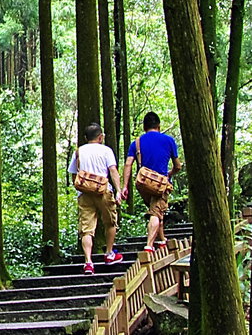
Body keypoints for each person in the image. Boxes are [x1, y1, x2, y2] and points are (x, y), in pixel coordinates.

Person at [122, 110, 182, 253]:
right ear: (159, 126)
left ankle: (162, 240)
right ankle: (149, 245)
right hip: (160, 184)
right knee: (155, 213)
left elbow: (128, 164)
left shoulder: (136, 143)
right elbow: (178, 166)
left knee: (156, 208)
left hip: (143, 184)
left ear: (144, 127)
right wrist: (170, 173)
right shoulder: (168, 140)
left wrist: (124, 186)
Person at [67, 123, 121, 274]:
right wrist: (118, 191)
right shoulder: (106, 151)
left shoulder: (79, 151)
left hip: (84, 194)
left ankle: (88, 262)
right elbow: (113, 171)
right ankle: (109, 253)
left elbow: (73, 173)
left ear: (85, 138)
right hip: (103, 191)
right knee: (110, 222)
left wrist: (79, 187)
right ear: (100, 137)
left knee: (86, 230)